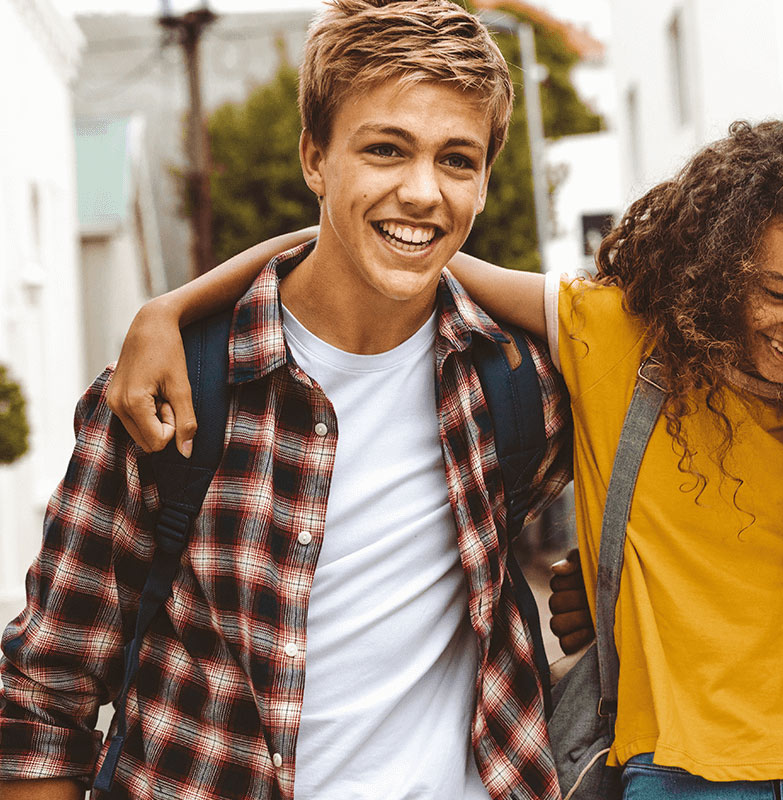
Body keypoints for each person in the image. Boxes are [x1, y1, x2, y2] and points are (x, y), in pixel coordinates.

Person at [96, 114, 783, 797]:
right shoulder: (621, 336)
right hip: (673, 774)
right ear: (717, 267)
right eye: (774, 295)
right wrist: (174, 302)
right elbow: (403, 252)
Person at [0, 2, 572, 800]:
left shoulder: (519, 386)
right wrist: (173, 311)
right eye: (385, 149)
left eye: (457, 160)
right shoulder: (168, 394)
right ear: (315, 156)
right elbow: (42, 700)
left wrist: (598, 593)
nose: (422, 192)